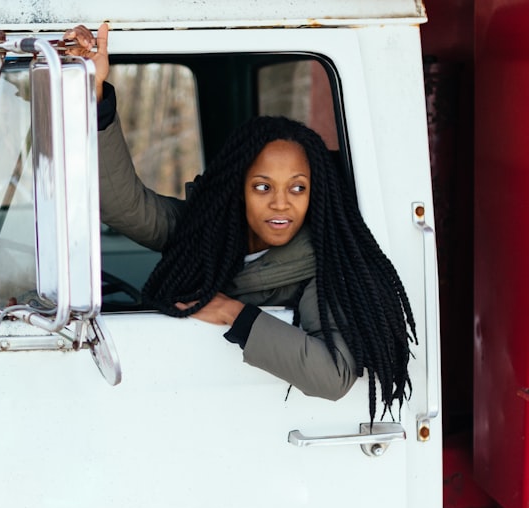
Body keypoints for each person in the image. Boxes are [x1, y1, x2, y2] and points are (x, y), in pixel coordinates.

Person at [64, 24, 417, 421]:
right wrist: (93, 95)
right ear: (237, 189)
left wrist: (232, 313)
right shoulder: (202, 231)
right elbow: (122, 206)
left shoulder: (321, 268)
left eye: (297, 189)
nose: (281, 203)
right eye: (263, 187)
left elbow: (334, 376)